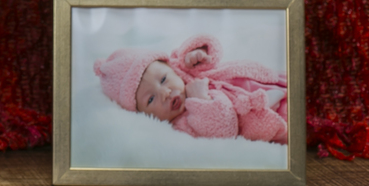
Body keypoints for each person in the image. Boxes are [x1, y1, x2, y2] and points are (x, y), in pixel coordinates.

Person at [94, 35, 288, 143]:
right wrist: (201, 100)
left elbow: (212, 47)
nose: (165, 93)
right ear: (141, 113)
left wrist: (198, 53)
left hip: (271, 79)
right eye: (150, 100)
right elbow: (223, 132)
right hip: (273, 112)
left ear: (170, 66)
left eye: (163, 79)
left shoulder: (183, 67)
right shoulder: (183, 124)